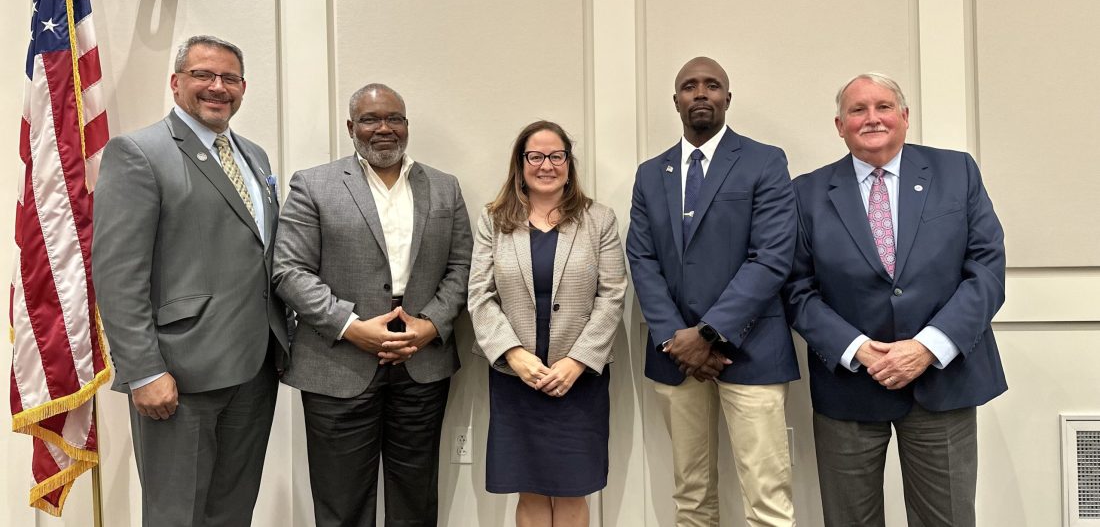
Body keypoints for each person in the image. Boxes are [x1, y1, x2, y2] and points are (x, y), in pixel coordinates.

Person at [783, 73, 1007, 526]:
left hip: (942, 381)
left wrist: (927, 347)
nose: (872, 119)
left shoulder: (956, 171)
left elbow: (986, 270)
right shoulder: (806, 192)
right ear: (839, 125)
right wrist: (858, 350)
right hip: (849, 385)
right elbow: (796, 288)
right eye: (857, 110)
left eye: (883, 107)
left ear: (904, 117)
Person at [92, 35, 289, 526]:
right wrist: (143, 370)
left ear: (244, 88)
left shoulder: (256, 157)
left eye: (230, 78)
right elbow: (118, 275)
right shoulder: (139, 152)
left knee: (232, 511)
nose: (217, 87)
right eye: (204, 75)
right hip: (179, 374)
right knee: (176, 514)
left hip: (256, 368)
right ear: (176, 82)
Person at [273, 83, 472, 526]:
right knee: (341, 503)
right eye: (370, 119)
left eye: (394, 119)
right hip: (338, 361)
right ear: (351, 127)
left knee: (415, 502)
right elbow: (289, 271)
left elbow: (462, 267)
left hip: (422, 362)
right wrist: (351, 327)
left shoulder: (444, 187)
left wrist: (430, 325)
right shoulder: (313, 184)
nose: (384, 128)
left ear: (406, 125)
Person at [626, 57, 799, 526]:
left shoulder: (765, 160)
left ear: (727, 98)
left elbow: (772, 258)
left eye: (712, 85)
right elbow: (641, 260)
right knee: (691, 496)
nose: (700, 93)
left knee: (767, 498)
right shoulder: (649, 174)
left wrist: (708, 334)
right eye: (689, 86)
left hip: (752, 349)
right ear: (676, 100)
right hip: (675, 354)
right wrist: (676, 338)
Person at [468, 120, 627, 526]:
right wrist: (514, 355)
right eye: (535, 156)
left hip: (579, 381)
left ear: (569, 164)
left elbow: (611, 296)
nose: (546, 165)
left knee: (574, 491)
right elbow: (480, 296)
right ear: (520, 164)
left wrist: (577, 361)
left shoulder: (599, 220)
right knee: (530, 489)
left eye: (557, 156)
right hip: (516, 378)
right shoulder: (494, 220)